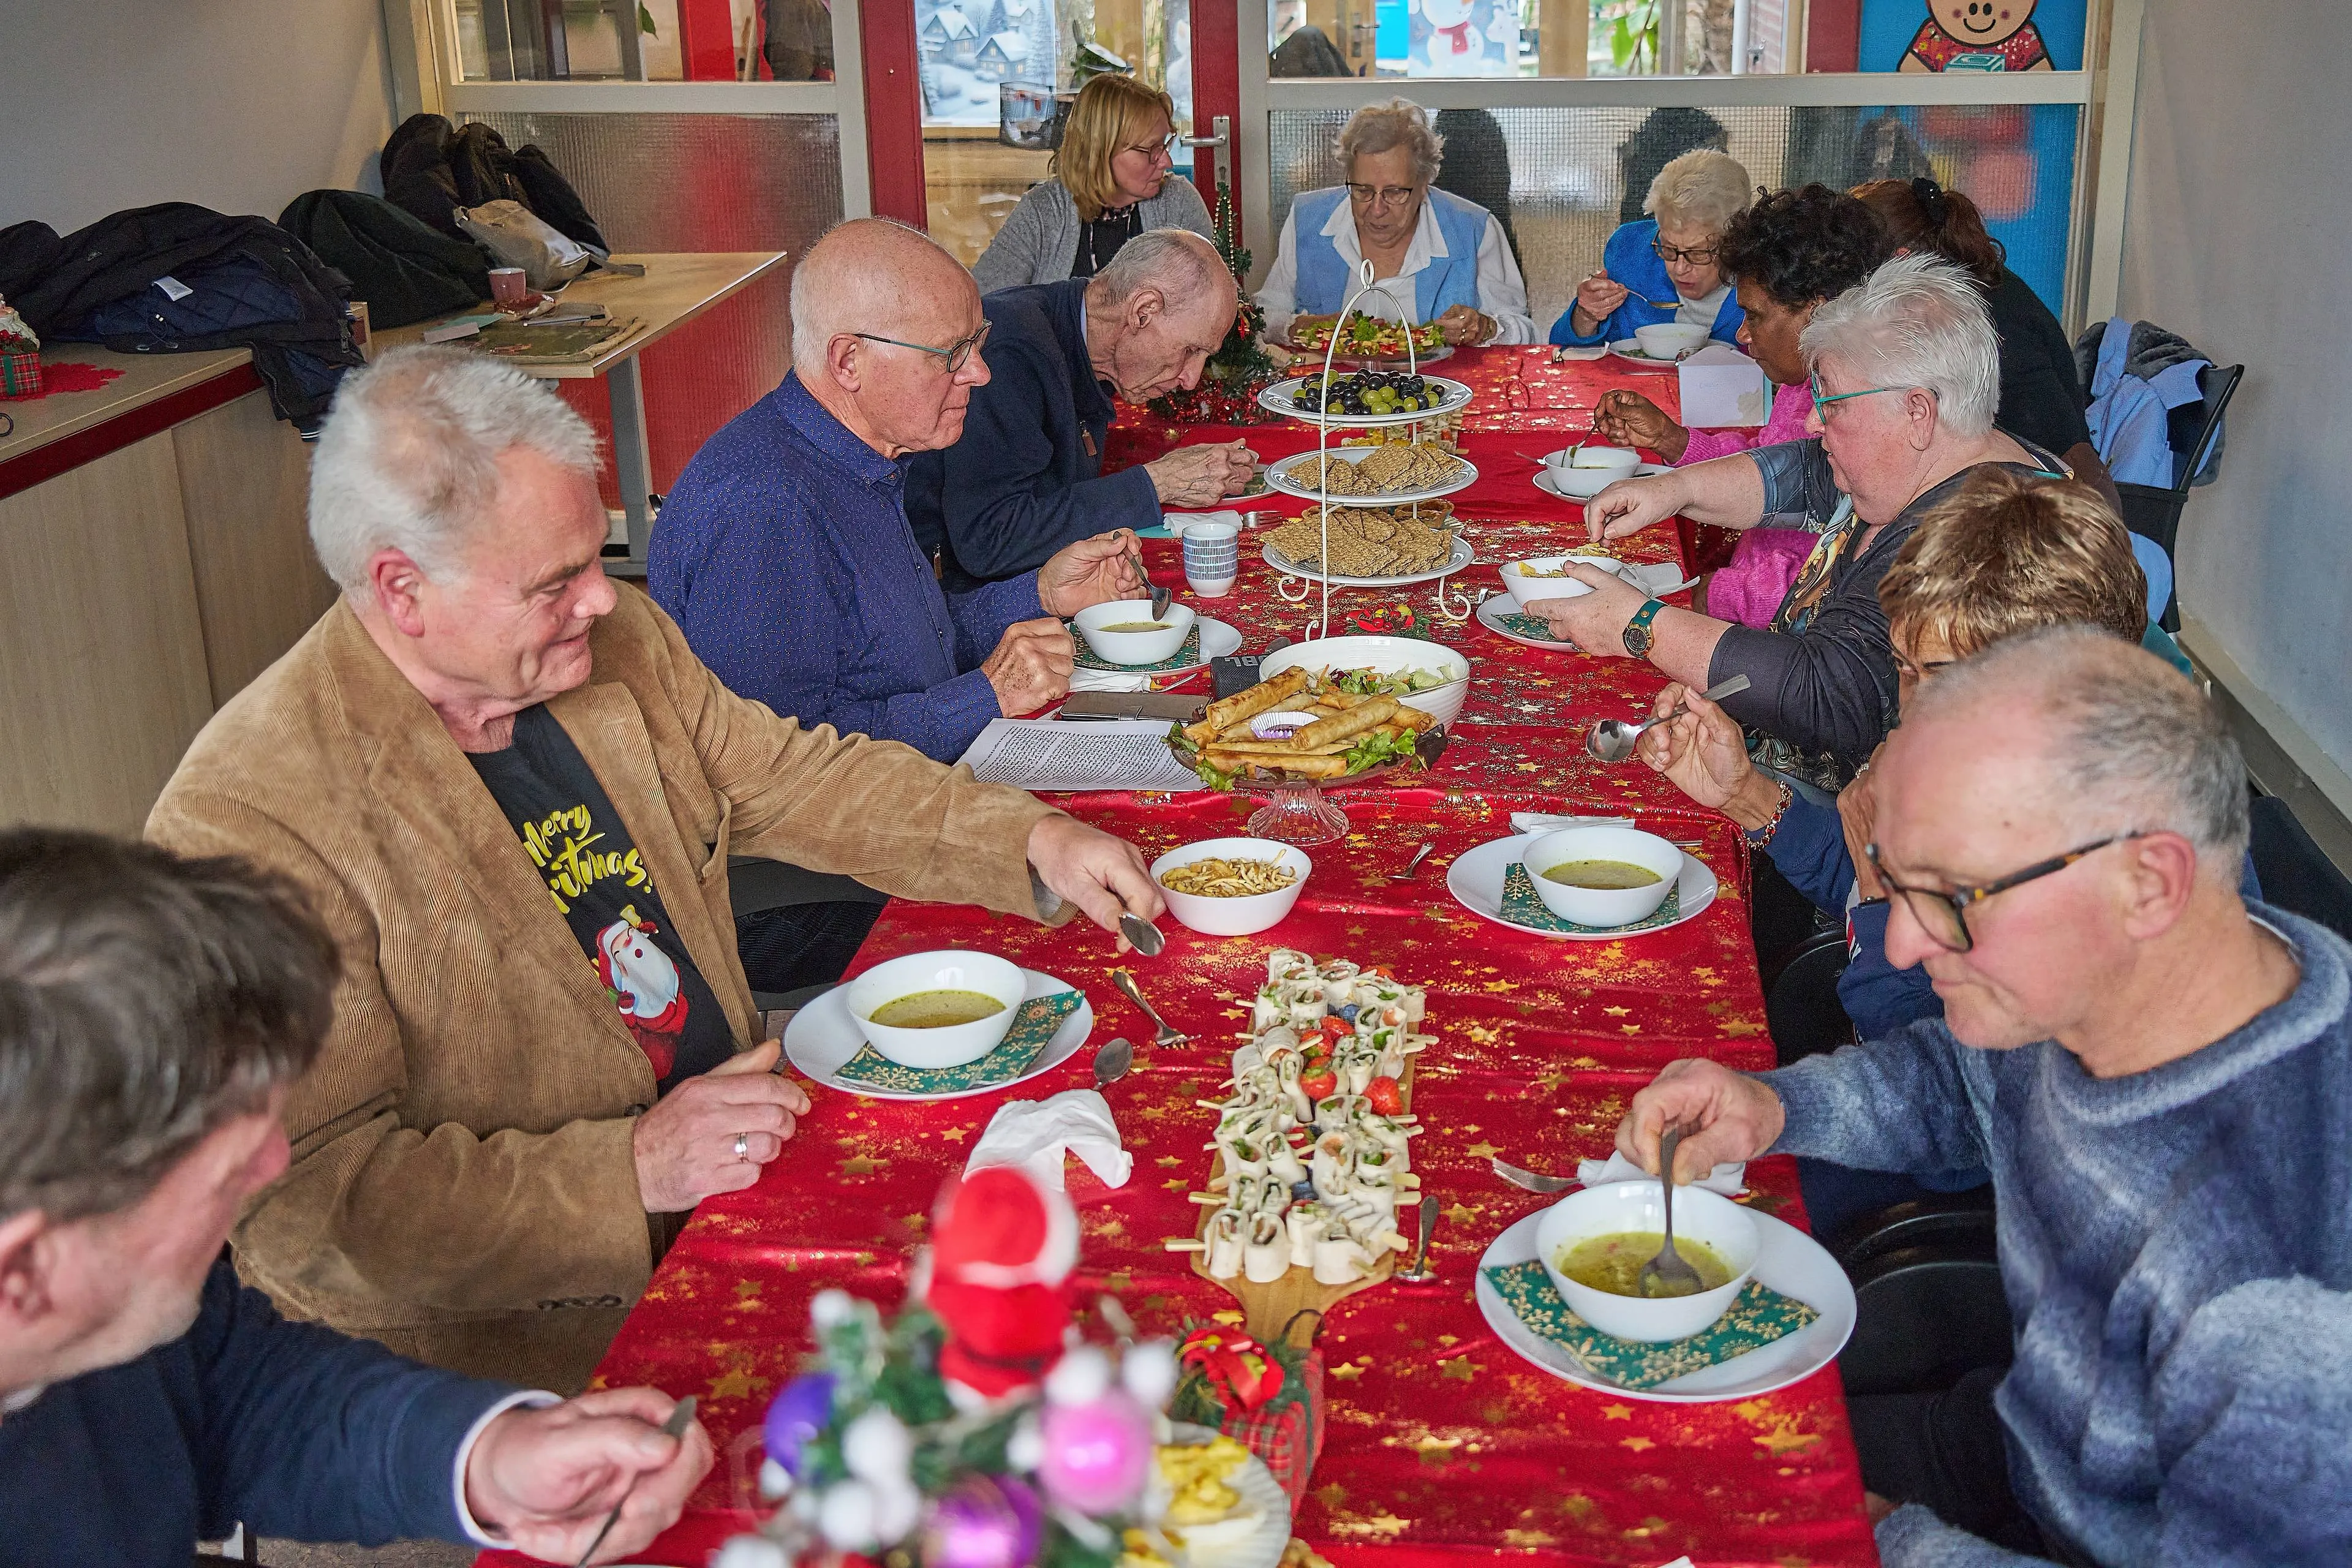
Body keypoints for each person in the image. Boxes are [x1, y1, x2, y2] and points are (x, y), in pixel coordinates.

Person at [145, 345, 1166, 1392]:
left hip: (747, 1169)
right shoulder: (254, 818)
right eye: (556, 582)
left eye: (596, 557)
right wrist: (628, 1172)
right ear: (403, 590)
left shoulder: (607, 644)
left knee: (1086, 1287)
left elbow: (796, 778)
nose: (603, 598)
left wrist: (1028, 838)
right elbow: (302, 1209)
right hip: (533, 1355)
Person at [1613, 627, 2352, 1567]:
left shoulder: (2285, 1282)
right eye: (1900, 885)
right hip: (2016, 1444)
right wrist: (1780, 1107)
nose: (1905, 947)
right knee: (1624, 1440)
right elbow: (1965, 1088)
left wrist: (1896, 1538)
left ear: (2149, 881)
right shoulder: (2141, 968)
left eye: (1953, 899)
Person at [0, 830, 711, 1566]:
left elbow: (236, 1391)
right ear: (21, 1275)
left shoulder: (101, 1277)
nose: (277, 1164)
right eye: (226, 1172)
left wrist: (486, 1456)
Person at [1527, 255, 2071, 792]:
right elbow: (1806, 474)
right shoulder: (1944, 455)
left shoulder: (1987, 539)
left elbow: (1830, 693)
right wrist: (1674, 489)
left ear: (1917, 412)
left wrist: (1641, 625)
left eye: (1831, 401)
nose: (1812, 420)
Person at [654, 219, 1147, 764]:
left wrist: (1042, 593)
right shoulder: (765, 508)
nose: (980, 373)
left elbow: (901, 652)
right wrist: (987, 696)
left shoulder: (859, 454)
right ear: (848, 362)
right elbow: (774, 762)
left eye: (978, 343)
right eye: (951, 353)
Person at [1590, 184, 1893, 627]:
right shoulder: (1803, 381)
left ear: (1817, 311)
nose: (1742, 334)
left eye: (1755, 316)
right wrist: (1672, 439)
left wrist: (1717, 594)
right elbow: (1768, 469)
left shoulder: (1863, 416)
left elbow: (1828, 584)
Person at [907, 228, 1255, 589]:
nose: (1192, 380)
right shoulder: (1012, 353)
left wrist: (1167, 482)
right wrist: (1157, 483)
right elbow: (990, 539)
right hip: (947, 600)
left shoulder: (1083, 341)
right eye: (1191, 351)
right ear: (1143, 312)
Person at [1851, 177, 2099, 475]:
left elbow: (2074, 460)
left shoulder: (1992, 325)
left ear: (1899, 261)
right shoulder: (1961, 296)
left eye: (1856, 273)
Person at [1256, 97, 1534, 349]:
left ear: (1424, 184)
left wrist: (1485, 328)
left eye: (1395, 192)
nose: (1377, 209)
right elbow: (1261, 316)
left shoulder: (1475, 229)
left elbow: (1525, 333)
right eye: (1363, 190)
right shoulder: (1307, 220)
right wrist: (1295, 327)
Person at [971, 74, 1213, 292]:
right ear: (1101, 152)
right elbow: (983, 302)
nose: (1167, 162)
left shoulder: (1178, 202)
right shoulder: (1043, 212)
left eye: (1164, 145)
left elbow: (1213, 298)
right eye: (1151, 149)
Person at [1551, 148, 1751, 349]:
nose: (1679, 268)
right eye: (1668, 247)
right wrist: (1587, 315)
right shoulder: (1629, 250)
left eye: (1697, 253)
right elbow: (1560, 350)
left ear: (1734, 240)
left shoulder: (1760, 277)